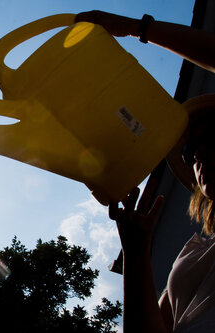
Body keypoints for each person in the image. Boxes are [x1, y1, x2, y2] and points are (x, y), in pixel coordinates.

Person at [75, 10, 215, 333]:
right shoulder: (193, 253)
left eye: (210, 138)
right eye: (189, 150)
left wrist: (135, 28)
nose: (198, 154)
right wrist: (136, 251)